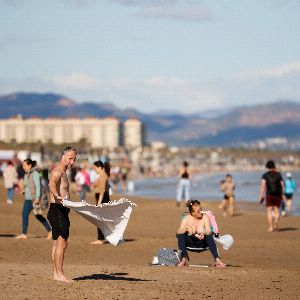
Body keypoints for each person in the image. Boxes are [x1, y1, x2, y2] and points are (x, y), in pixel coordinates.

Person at [47, 146, 77, 283]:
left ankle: (56, 274)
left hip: (61, 210)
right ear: (63, 157)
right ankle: (59, 274)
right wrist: (56, 194)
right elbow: (51, 183)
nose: (72, 162)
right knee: (62, 242)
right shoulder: (58, 171)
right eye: (70, 158)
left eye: (74, 159)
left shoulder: (65, 172)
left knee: (56, 243)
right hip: (57, 209)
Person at [176, 200, 226, 267]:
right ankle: (184, 259)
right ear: (193, 213)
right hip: (190, 242)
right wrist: (187, 228)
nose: (201, 212)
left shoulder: (204, 217)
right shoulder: (186, 218)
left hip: (203, 242)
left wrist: (203, 233)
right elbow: (178, 232)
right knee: (181, 235)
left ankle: (217, 260)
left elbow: (209, 231)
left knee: (209, 235)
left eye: (201, 209)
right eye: (198, 210)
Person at [15, 159, 52, 239]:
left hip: (34, 199)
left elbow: (38, 187)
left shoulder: (35, 174)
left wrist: (37, 198)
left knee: (38, 216)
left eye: (25, 165)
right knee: (24, 214)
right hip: (28, 198)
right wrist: (23, 191)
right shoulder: (26, 174)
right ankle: (24, 234)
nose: (23, 167)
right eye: (23, 165)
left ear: (30, 165)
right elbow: (28, 186)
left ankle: (50, 231)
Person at [258, 160, 284, 232]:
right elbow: (282, 185)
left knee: (269, 210)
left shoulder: (265, 175)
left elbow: (263, 186)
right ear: (274, 166)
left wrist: (261, 195)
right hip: (278, 195)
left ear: (267, 166)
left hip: (269, 195)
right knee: (276, 209)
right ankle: (276, 220)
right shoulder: (279, 174)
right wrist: (283, 194)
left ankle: (270, 227)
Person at [89, 160, 111, 245]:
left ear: (100, 167)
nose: (94, 170)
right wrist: (93, 185)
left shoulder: (103, 176)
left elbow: (102, 190)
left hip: (102, 198)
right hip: (102, 198)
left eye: (95, 168)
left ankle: (100, 239)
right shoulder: (102, 175)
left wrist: (99, 203)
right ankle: (109, 237)